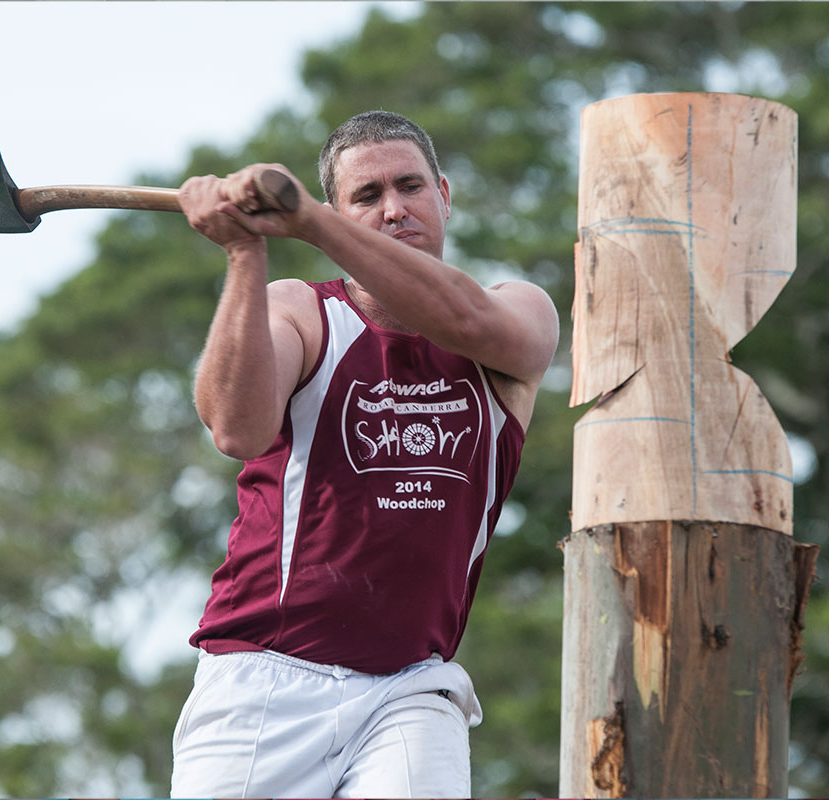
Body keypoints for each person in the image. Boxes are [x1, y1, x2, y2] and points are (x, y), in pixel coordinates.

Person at [170, 110, 559, 798]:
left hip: (412, 683)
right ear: (335, 208)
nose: (394, 210)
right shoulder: (298, 310)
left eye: (409, 187)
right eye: (367, 197)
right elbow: (236, 430)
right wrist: (244, 253)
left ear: (445, 193)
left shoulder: (514, 312)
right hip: (264, 676)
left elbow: (464, 321)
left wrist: (314, 224)